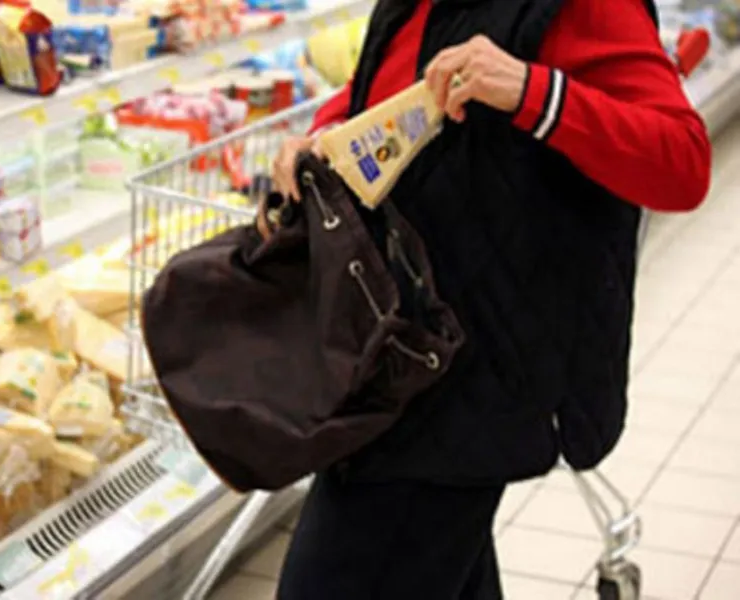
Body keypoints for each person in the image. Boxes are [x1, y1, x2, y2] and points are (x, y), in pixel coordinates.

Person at [267, 0, 712, 597]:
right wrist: (325, 135)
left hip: (474, 371)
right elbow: (388, 85)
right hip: (397, 352)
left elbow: (682, 162)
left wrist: (533, 91)